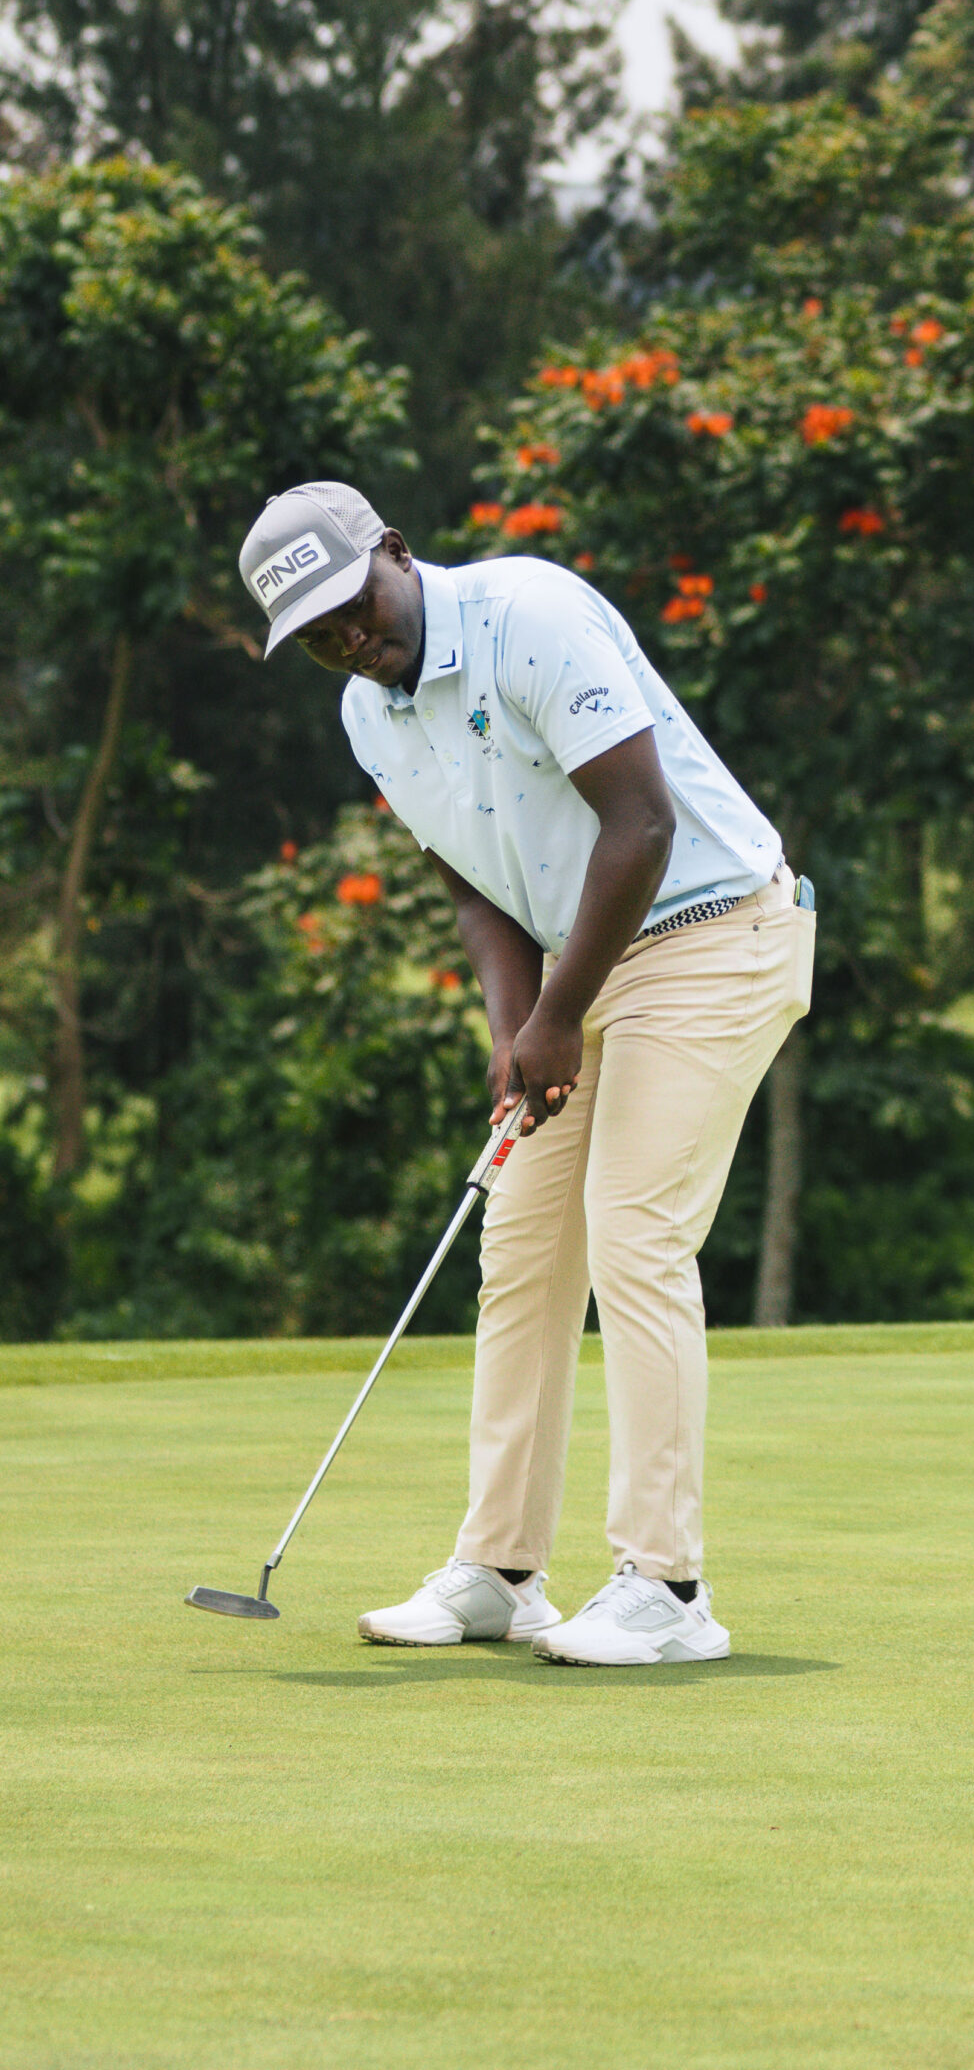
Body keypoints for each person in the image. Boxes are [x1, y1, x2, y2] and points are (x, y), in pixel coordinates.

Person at [237, 480, 814, 1665]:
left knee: (633, 1229)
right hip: (582, 967)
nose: (349, 640)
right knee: (524, 1247)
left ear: (394, 552)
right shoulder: (367, 714)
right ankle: (501, 1571)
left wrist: (556, 1014)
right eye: (318, 637)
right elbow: (471, 878)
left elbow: (641, 825)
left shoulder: (528, 616)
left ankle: (668, 1589)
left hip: (714, 931)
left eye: (353, 607)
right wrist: (518, 1031)